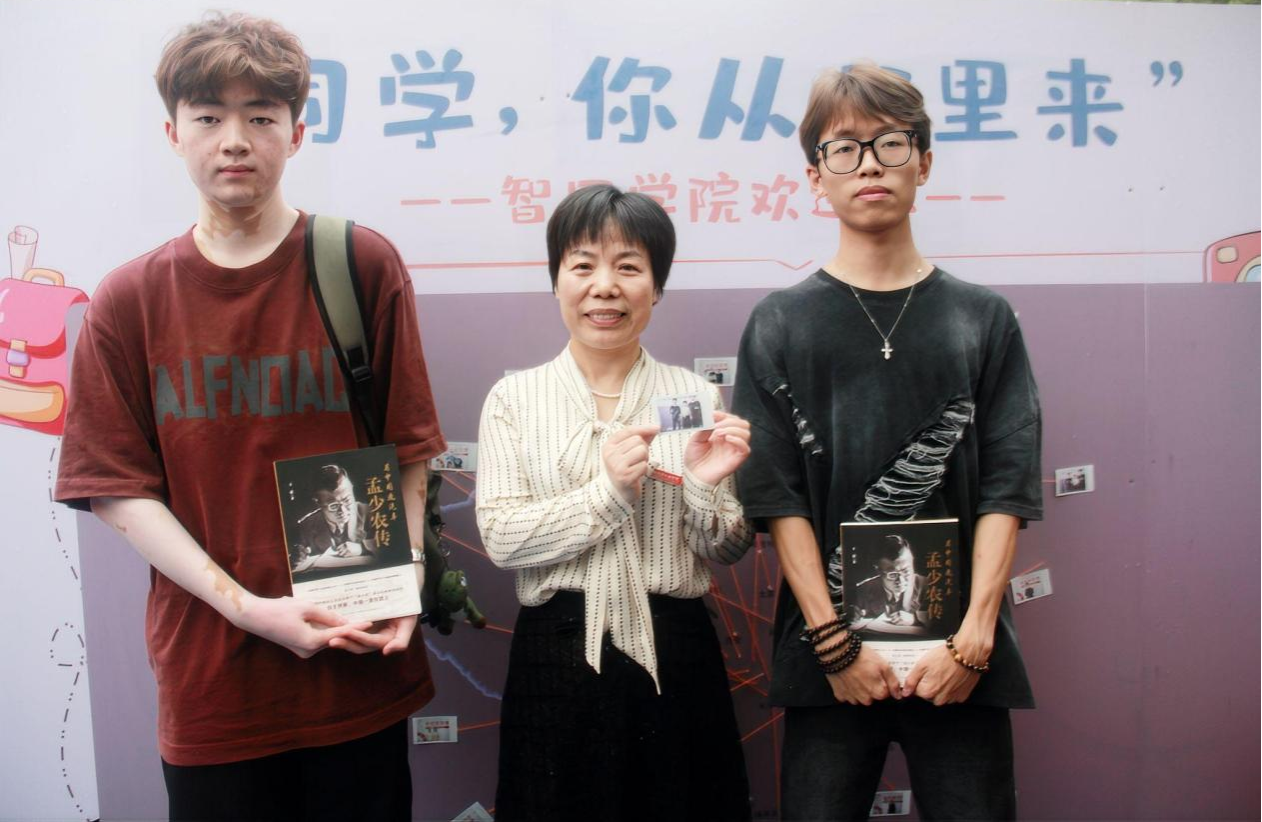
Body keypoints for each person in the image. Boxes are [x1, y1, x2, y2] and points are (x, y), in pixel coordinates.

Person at [54, 13, 445, 820]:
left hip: (356, 661)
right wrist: (249, 610)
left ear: (295, 134)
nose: (235, 140)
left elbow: (408, 447)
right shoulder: (129, 300)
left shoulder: (359, 264)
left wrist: (406, 575)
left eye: (261, 117)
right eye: (209, 117)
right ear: (173, 134)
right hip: (213, 683)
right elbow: (117, 489)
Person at [733, 64, 1043, 821]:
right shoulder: (780, 323)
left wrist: (973, 639)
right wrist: (833, 644)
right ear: (816, 176)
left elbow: (1008, 485)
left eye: (890, 144)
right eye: (845, 148)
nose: (869, 164)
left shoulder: (983, 319)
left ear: (923, 162)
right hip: (830, 659)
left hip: (961, 660)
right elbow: (776, 497)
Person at [476, 184, 753, 821]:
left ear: (657, 287)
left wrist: (703, 485)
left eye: (629, 267)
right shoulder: (514, 399)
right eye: (583, 266)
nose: (605, 287)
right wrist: (608, 496)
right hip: (557, 650)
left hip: (675, 647)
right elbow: (501, 536)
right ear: (557, 280)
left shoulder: (693, 396)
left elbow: (727, 548)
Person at [290, 465, 375, 574]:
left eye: (347, 500)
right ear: (318, 503)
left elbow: (390, 548)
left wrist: (362, 548)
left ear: (352, 490)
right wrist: (297, 557)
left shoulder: (370, 513)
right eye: (334, 506)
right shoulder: (307, 526)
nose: (343, 510)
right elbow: (298, 558)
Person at [850, 536, 927, 630]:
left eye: (906, 571)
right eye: (893, 575)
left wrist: (914, 620)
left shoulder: (928, 586)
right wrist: (852, 616)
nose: (901, 580)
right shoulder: (863, 591)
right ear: (878, 571)